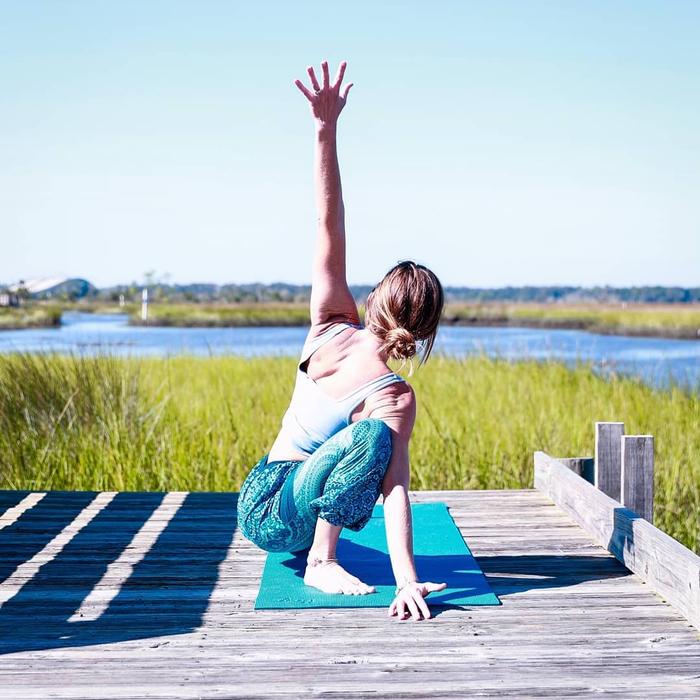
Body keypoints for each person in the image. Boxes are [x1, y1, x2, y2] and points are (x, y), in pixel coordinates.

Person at [237, 60, 447, 621]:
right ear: (423, 331)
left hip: (264, 498)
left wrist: (325, 128)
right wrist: (407, 578)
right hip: (278, 510)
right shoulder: (389, 393)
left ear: (376, 298)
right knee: (374, 438)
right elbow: (395, 489)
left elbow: (329, 221)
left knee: (372, 437)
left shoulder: (331, 323)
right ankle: (321, 561)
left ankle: (319, 554)